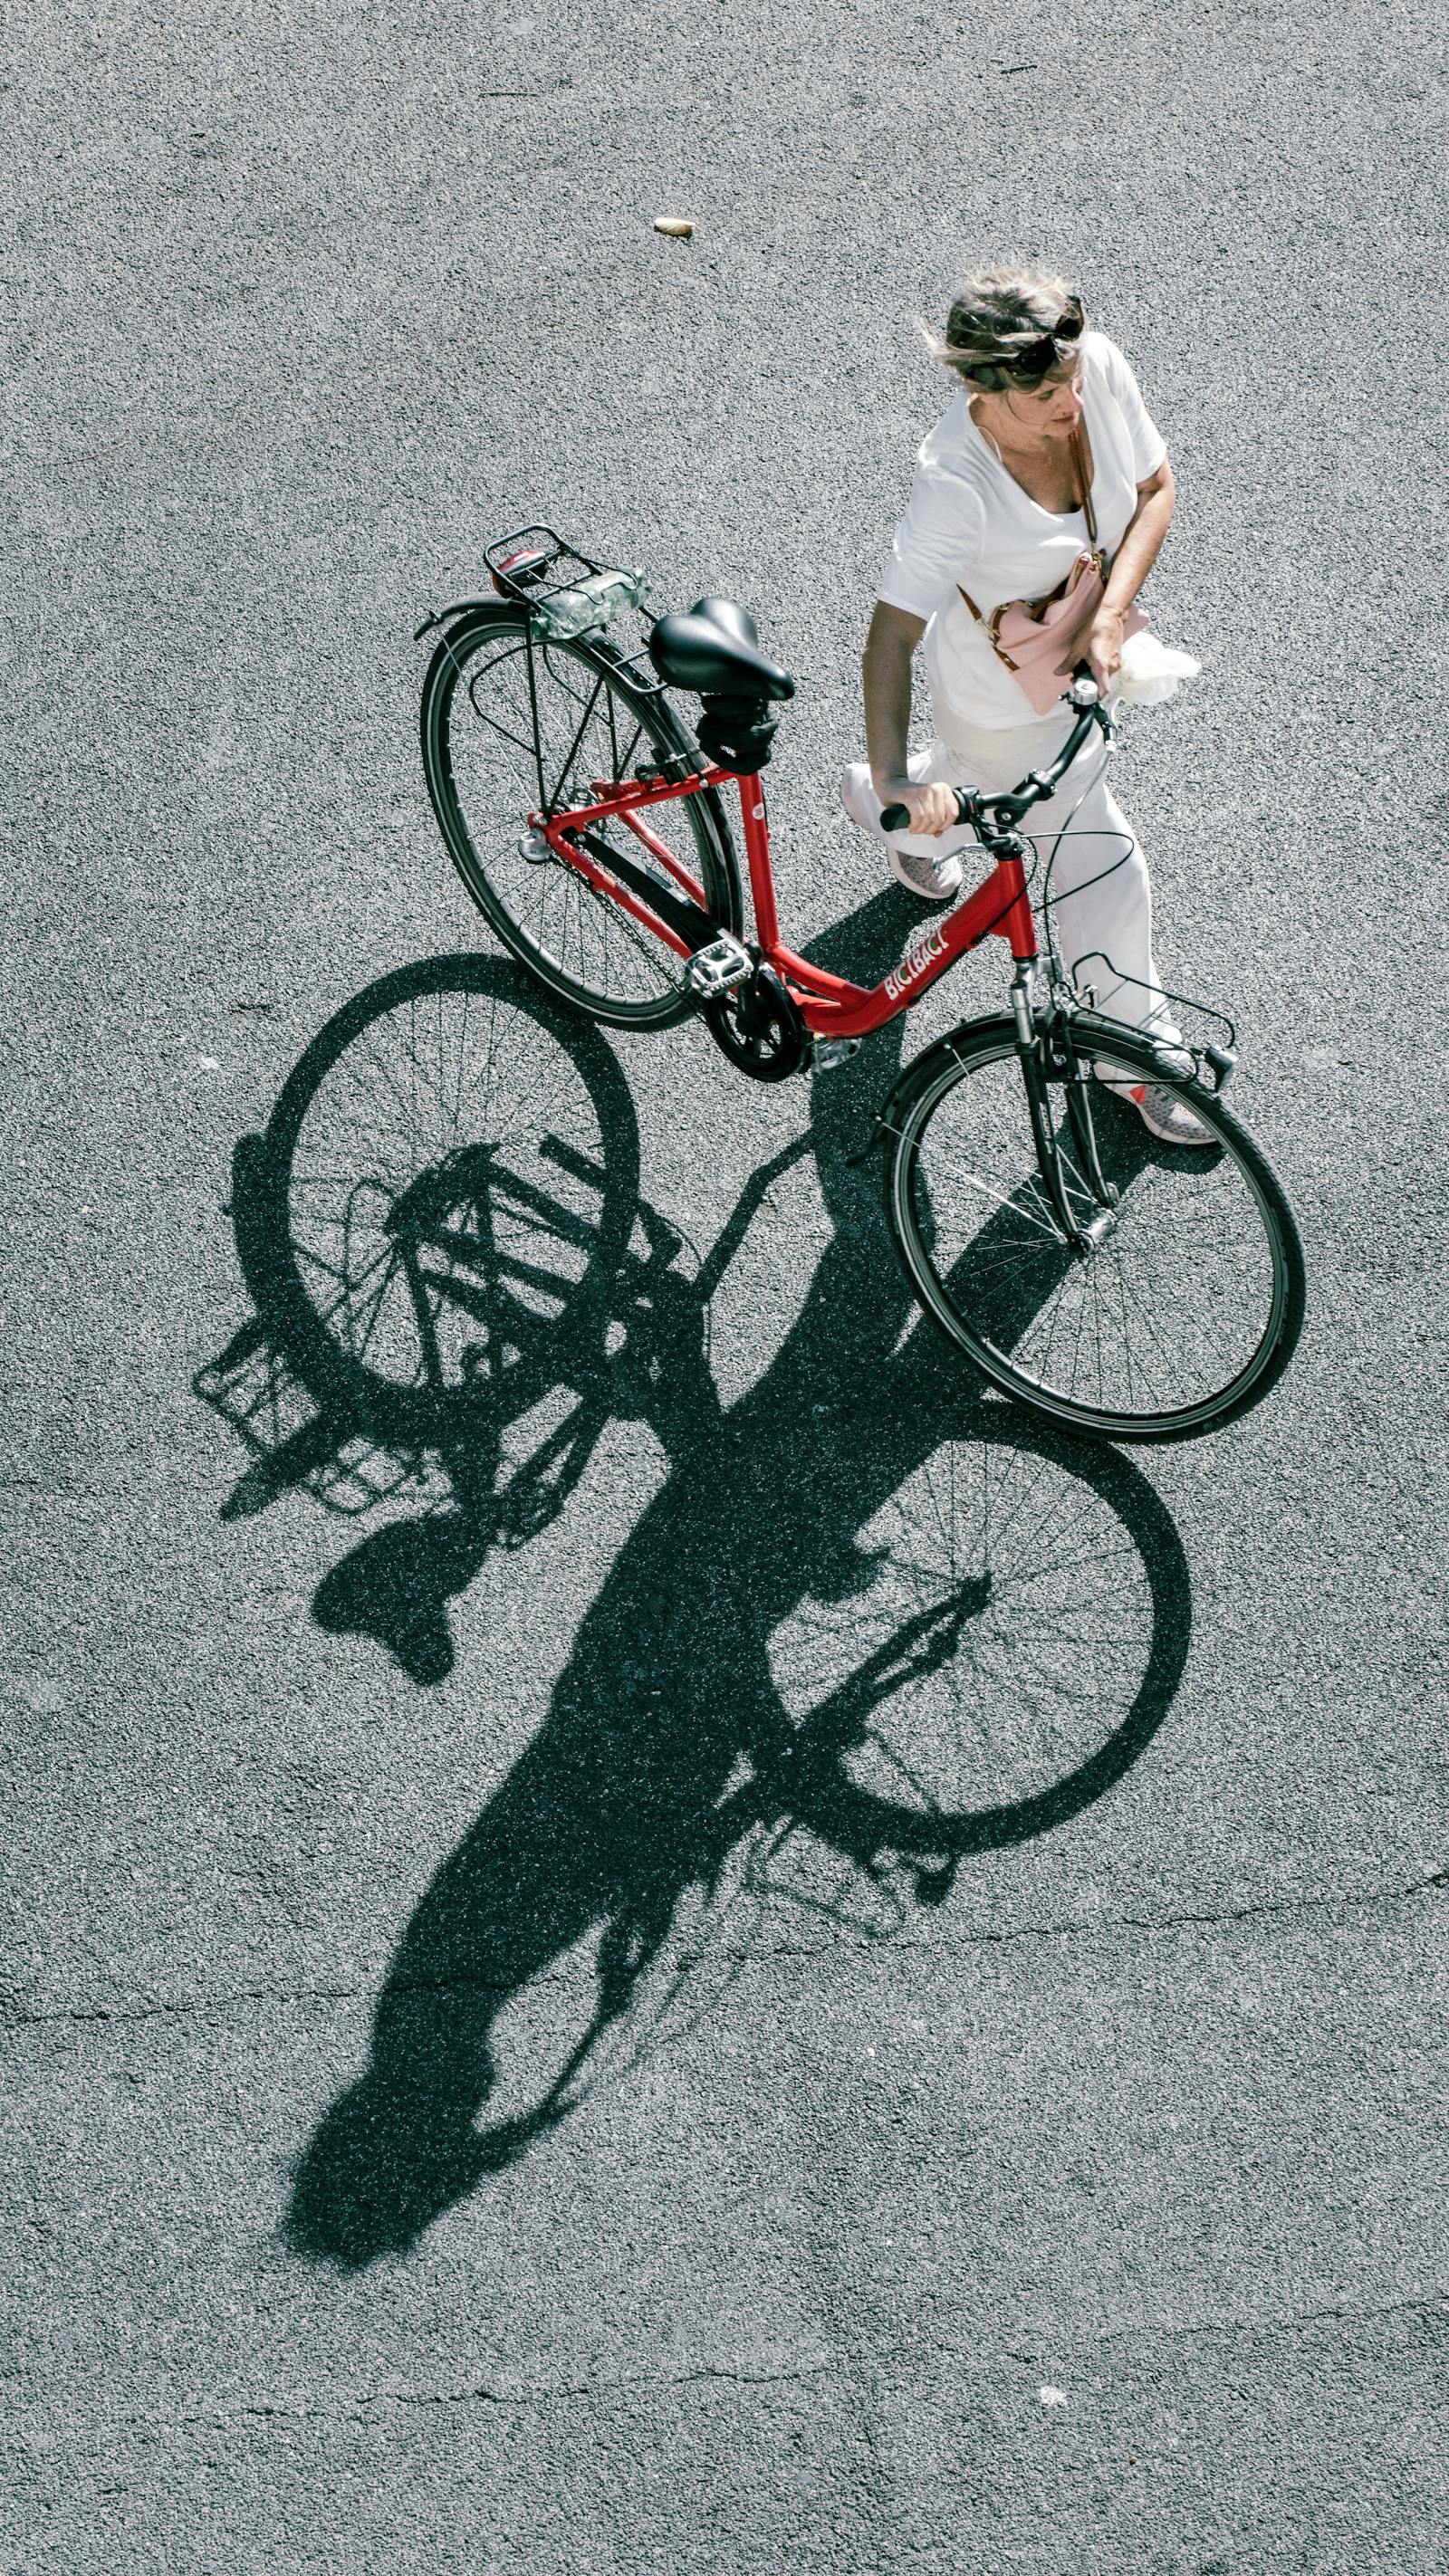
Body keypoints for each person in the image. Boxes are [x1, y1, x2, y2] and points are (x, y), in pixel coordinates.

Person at [845, 263, 1210, 1144]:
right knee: (1101, 867)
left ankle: (887, 809)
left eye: (1073, 375)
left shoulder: (1096, 368)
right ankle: (1138, 1060)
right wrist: (899, 773)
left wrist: (1112, 613)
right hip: (1002, 707)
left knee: (968, 800)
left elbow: (1156, 491)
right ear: (979, 385)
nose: (1072, 400)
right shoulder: (952, 491)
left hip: (1075, 658)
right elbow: (888, 639)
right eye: (1046, 389)